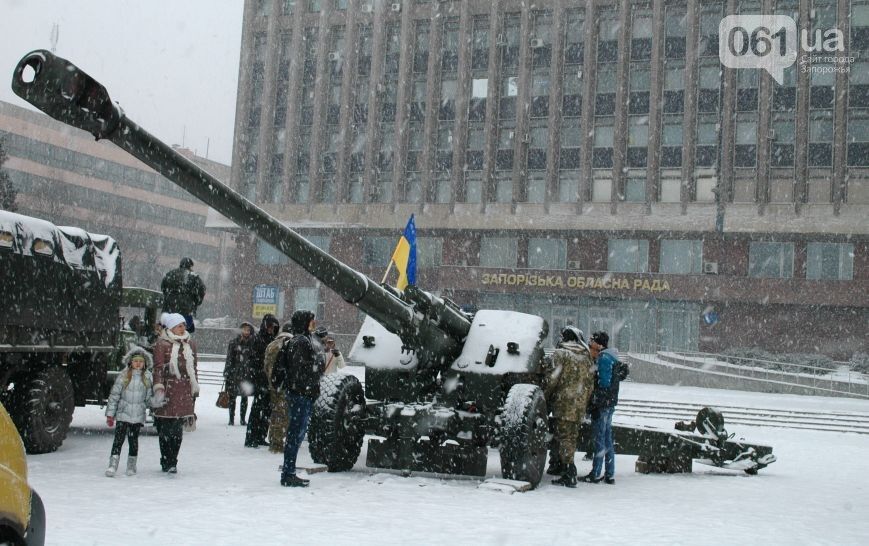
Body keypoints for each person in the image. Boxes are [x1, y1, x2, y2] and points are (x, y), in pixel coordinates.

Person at [275, 310, 325, 487]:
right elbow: (300, 371)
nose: (314, 322)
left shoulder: (299, 340)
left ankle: (289, 471)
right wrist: (308, 385)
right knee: (295, 435)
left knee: (295, 434)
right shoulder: (301, 342)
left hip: (301, 393)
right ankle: (289, 473)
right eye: (311, 320)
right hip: (301, 394)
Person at [545, 327, 594, 488]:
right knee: (571, 437)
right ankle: (566, 468)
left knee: (564, 437)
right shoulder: (586, 356)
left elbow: (552, 379)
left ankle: (569, 471)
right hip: (579, 405)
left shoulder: (561, 354)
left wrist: (545, 396)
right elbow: (590, 384)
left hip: (563, 403)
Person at [151, 313, 200, 474]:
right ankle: (165, 459)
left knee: (177, 431)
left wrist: (194, 386)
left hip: (184, 390)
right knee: (165, 429)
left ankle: (173, 461)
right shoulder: (162, 344)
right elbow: (157, 367)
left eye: (184, 325)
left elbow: (194, 368)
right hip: (168, 390)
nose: (182, 328)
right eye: (179, 325)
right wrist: (158, 386)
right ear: (171, 327)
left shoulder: (190, 344)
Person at [104, 347, 154, 477]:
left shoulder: (147, 378)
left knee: (133, 441)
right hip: (122, 414)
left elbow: (149, 398)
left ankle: (131, 465)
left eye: (140, 361)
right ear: (130, 362)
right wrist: (110, 414)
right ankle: (113, 464)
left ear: (144, 363)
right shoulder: (124, 376)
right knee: (118, 440)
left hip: (137, 415)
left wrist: (155, 404)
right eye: (135, 361)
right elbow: (114, 395)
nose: (138, 363)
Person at [581, 331, 620, 485]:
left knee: (600, 440)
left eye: (592, 342)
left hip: (603, 405)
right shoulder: (611, 358)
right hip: (610, 404)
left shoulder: (604, 359)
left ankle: (596, 473)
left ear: (599, 344)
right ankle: (609, 474)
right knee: (607, 439)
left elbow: (603, 384)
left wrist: (595, 403)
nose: (590, 345)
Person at [245, 313, 280, 448]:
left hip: (268, 381)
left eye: (273, 328)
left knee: (266, 410)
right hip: (260, 380)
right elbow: (253, 360)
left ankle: (260, 436)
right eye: (270, 327)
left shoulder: (271, 340)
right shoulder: (258, 340)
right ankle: (251, 437)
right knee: (257, 409)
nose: (271, 330)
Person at [264, 322, 293, 453]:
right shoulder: (290, 344)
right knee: (283, 414)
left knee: (275, 413)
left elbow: (265, 366)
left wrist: (271, 380)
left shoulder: (271, 345)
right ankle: (277, 443)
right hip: (284, 385)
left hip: (272, 385)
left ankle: (273, 439)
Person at [160, 257, 206, 333]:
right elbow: (202, 290)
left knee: (167, 332)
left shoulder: (169, 274)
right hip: (185, 311)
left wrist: (169, 299)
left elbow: (163, 289)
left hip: (169, 311)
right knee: (184, 332)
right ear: (190, 266)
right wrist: (196, 302)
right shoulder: (194, 277)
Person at [223, 322, 255, 426]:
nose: (246, 332)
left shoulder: (253, 343)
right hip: (235, 373)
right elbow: (229, 358)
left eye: (248, 330)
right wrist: (227, 372)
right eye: (244, 329)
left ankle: (242, 419)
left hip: (246, 373)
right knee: (232, 396)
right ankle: (231, 419)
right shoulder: (234, 343)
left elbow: (253, 358)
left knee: (244, 397)